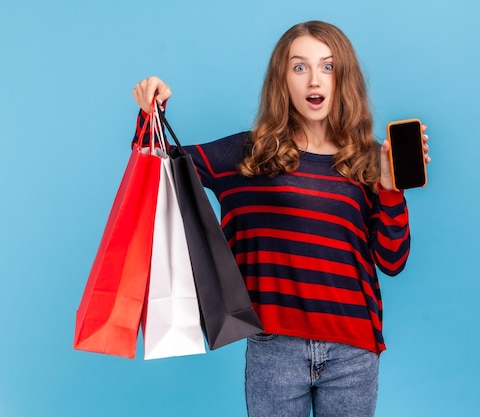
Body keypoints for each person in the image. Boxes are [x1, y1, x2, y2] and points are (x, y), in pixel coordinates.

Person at [132, 20, 429, 417]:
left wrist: (391, 187)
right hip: (276, 349)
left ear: (344, 78)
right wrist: (151, 111)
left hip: (353, 352)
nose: (314, 80)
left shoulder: (370, 160)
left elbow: (392, 262)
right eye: (299, 67)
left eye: (327, 66)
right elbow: (157, 171)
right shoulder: (246, 153)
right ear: (282, 79)